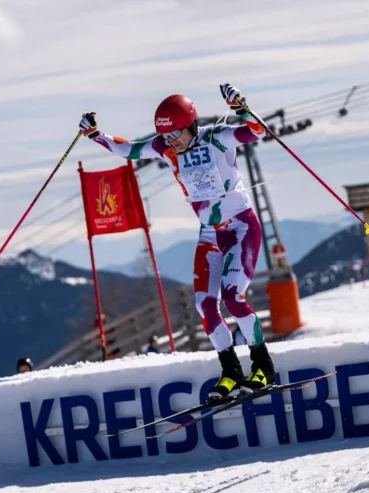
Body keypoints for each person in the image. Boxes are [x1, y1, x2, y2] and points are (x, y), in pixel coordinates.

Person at [80, 84, 276, 401]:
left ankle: (263, 366)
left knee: (233, 298)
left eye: (177, 135)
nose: (172, 142)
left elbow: (257, 131)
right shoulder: (166, 147)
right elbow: (128, 150)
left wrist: (241, 106)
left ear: (191, 125)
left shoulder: (217, 137)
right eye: (167, 136)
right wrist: (94, 135)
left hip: (241, 227)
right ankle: (230, 372)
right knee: (204, 305)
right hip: (210, 234)